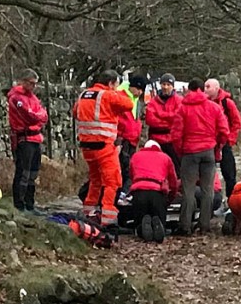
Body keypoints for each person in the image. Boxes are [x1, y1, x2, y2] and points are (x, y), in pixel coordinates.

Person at [74, 70, 135, 228]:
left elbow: (76, 113)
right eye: (115, 85)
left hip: (87, 147)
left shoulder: (83, 95)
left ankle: (89, 211)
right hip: (104, 146)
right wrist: (117, 94)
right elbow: (129, 104)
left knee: (95, 180)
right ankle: (107, 218)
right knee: (112, 181)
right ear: (111, 83)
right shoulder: (108, 95)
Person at [171, 79, 229, 235]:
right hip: (208, 151)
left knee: (188, 191)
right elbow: (224, 131)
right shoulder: (214, 107)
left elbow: (176, 135)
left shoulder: (182, 109)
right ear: (202, 89)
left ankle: (185, 226)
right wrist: (217, 147)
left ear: (189, 90)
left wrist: (181, 151)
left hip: (189, 152)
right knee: (208, 190)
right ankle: (204, 225)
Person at [6, 68, 48, 214]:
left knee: (33, 173)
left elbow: (44, 115)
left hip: (35, 138)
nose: (34, 87)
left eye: (36, 84)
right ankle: (19, 204)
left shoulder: (33, 98)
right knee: (23, 172)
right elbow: (29, 116)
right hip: (24, 138)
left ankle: (30, 204)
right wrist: (37, 116)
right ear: (23, 81)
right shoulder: (16, 98)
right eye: (31, 83)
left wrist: (37, 116)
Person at [128, 140, 179, 243]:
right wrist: (170, 198)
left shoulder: (136, 156)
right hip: (157, 192)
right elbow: (173, 181)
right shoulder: (165, 157)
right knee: (159, 216)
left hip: (139, 191)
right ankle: (159, 226)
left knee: (139, 217)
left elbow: (131, 174)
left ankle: (141, 229)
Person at [205, 78, 241, 197]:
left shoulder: (227, 103)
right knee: (208, 173)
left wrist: (230, 139)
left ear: (216, 88)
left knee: (229, 173)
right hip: (208, 142)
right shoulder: (203, 102)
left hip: (224, 142)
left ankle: (232, 199)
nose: (205, 89)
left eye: (208, 87)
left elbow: (237, 122)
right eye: (204, 87)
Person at [145, 73, 182, 167]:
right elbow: (150, 120)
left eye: (168, 85)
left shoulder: (179, 100)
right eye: (163, 84)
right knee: (157, 166)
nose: (165, 87)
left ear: (173, 86)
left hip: (172, 141)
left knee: (175, 167)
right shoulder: (153, 101)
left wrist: (160, 115)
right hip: (156, 140)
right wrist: (169, 119)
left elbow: (178, 118)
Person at [117, 74, 146, 193]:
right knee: (125, 169)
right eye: (138, 89)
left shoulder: (135, 99)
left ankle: (124, 193)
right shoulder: (121, 97)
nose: (140, 92)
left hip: (132, 139)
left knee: (128, 169)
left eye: (142, 90)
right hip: (123, 139)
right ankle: (122, 194)